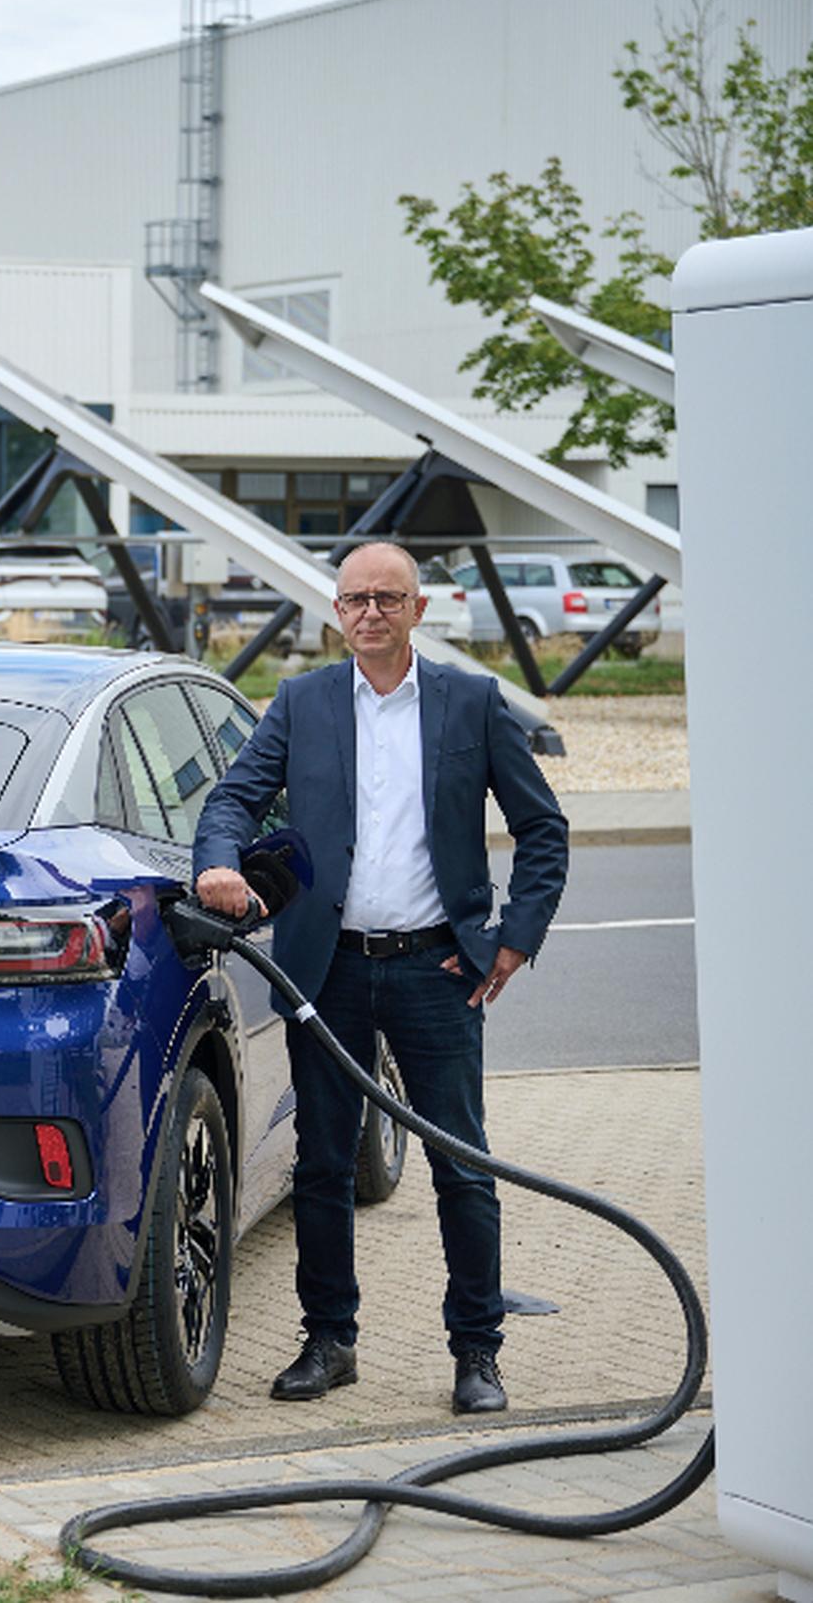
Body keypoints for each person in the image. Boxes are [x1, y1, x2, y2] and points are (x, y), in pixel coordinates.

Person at [193, 539, 568, 1416]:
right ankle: (329, 1342)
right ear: (335, 612)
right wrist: (218, 864)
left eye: (387, 598)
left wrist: (512, 940)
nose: (369, 612)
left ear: (417, 611)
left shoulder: (469, 704)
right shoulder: (302, 702)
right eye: (355, 599)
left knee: (460, 1167)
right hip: (326, 974)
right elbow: (230, 800)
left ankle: (476, 1351)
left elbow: (542, 828)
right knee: (322, 1166)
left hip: (439, 971)